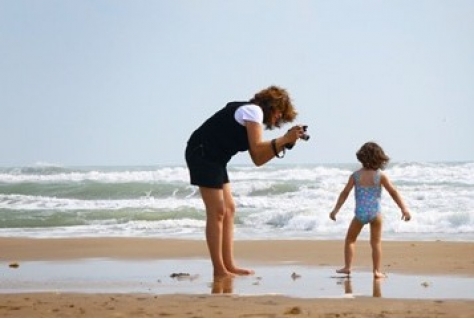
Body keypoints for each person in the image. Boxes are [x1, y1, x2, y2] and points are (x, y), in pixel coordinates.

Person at [185, 85, 304, 278]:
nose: (277, 120)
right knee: (217, 212)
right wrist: (283, 138)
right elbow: (258, 150)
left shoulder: (251, 114)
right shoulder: (253, 111)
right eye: (279, 115)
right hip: (203, 154)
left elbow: (258, 160)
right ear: (273, 107)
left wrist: (284, 142)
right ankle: (219, 269)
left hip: (216, 158)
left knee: (229, 209)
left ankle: (229, 265)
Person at [329, 142, 412, 278]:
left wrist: (335, 210)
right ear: (379, 158)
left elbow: (345, 193)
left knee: (350, 240)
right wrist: (404, 209)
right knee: (376, 243)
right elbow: (393, 192)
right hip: (376, 213)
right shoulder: (380, 176)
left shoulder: (356, 175)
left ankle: (348, 267)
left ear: (361, 157)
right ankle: (376, 271)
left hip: (360, 213)